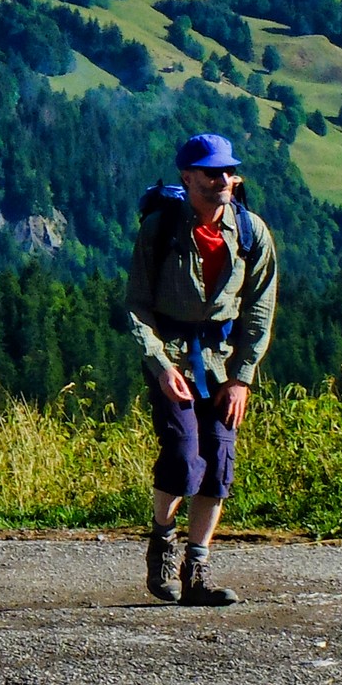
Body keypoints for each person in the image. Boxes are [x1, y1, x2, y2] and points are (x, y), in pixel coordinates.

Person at [125, 132, 279, 606]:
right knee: (182, 453)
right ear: (187, 177)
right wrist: (158, 363)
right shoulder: (159, 230)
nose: (223, 180)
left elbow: (259, 308)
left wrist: (242, 379)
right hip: (171, 357)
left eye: (228, 172)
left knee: (219, 461)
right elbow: (137, 305)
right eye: (212, 173)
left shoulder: (251, 231)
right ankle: (162, 544)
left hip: (222, 362)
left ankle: (198, 569)